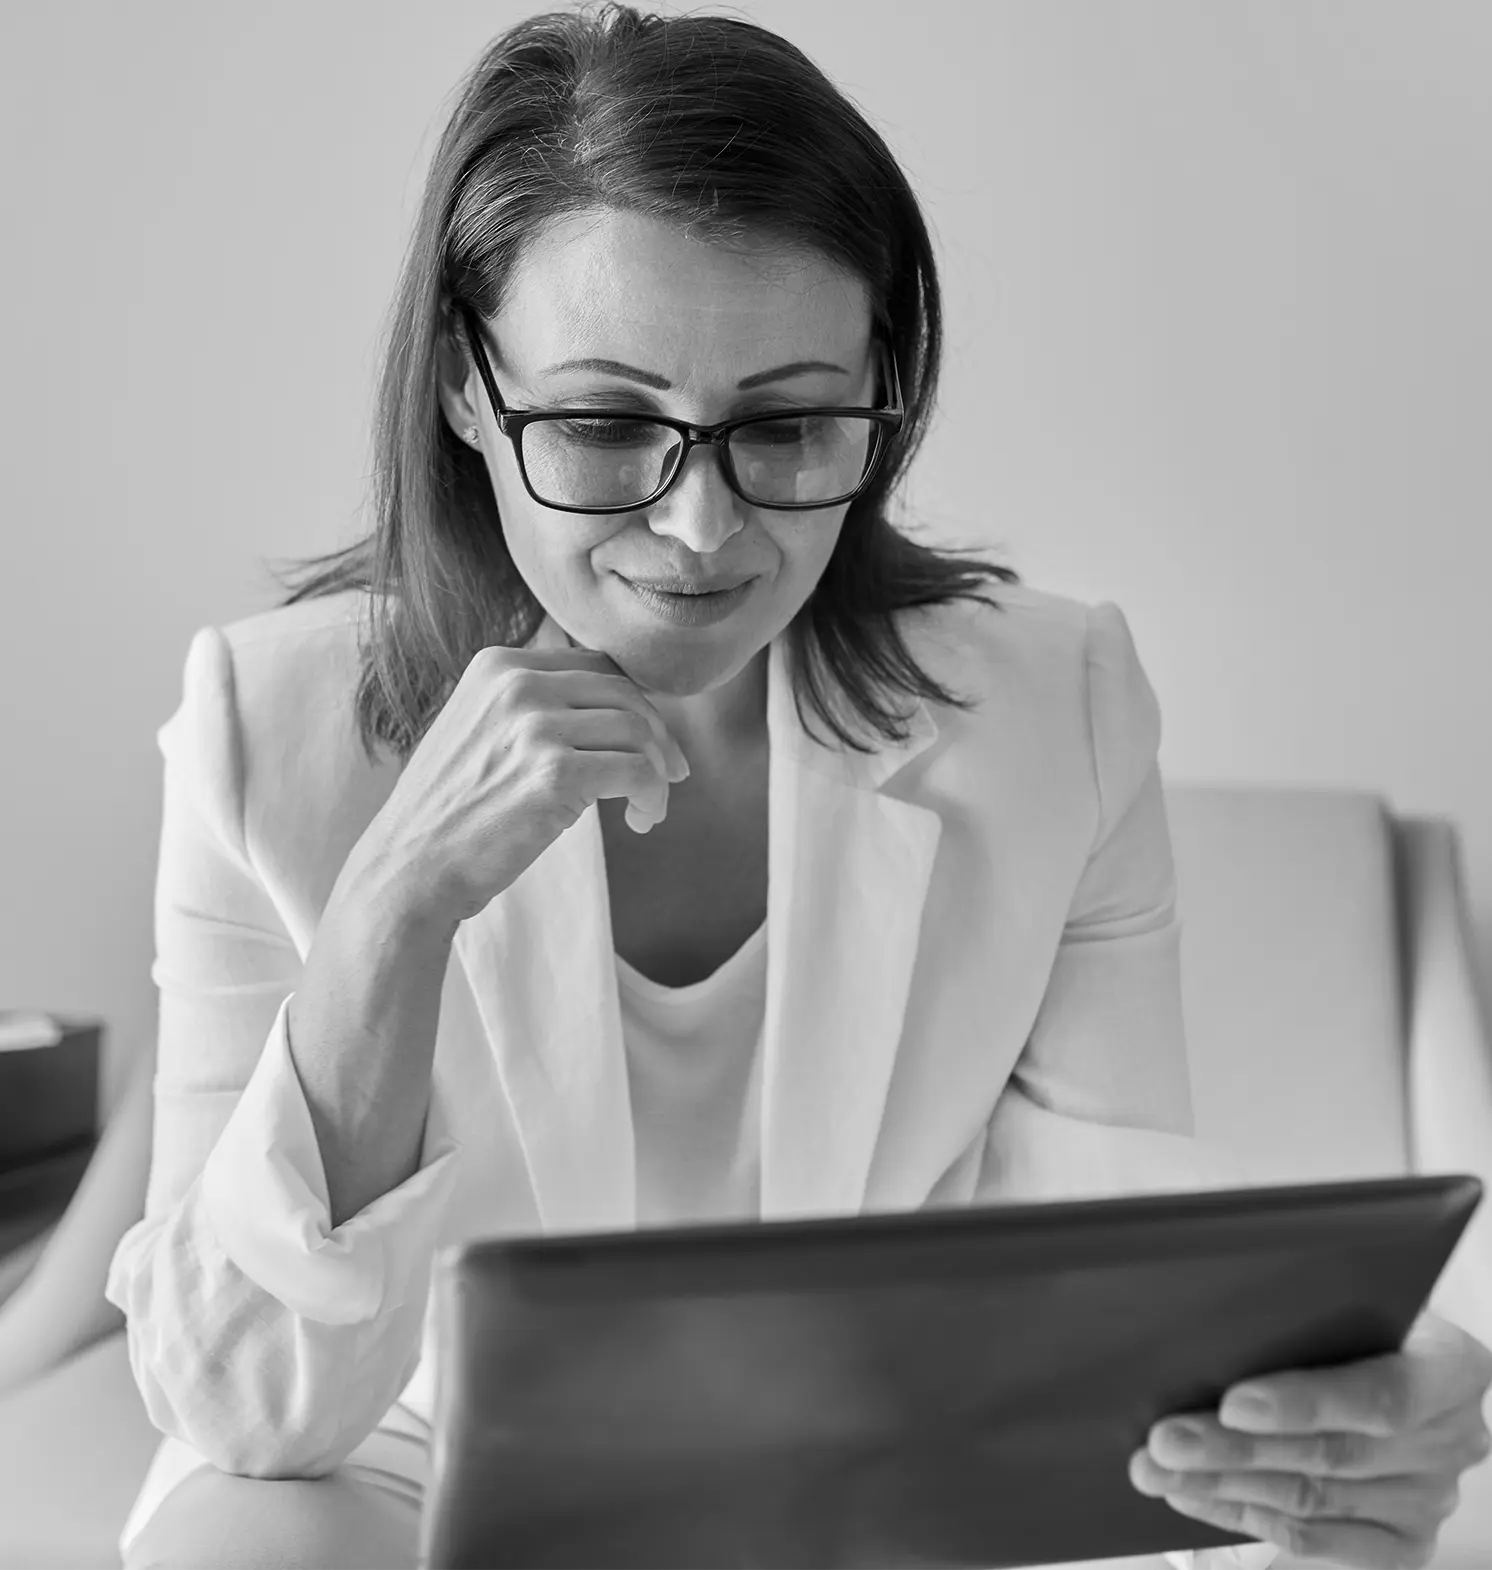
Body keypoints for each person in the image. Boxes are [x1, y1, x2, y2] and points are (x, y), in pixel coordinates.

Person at [105, 6, 1492, 1568]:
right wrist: (392, 908)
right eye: (606, 424)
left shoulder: (1058, 705)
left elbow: (1108, 1278)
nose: (702, 530)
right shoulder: (266, 725)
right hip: (400, 1460)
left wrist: (1341, 1426)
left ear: (878, 393)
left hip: (883, 1469)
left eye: (786, 424)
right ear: (465, 388)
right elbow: (245, 1406)